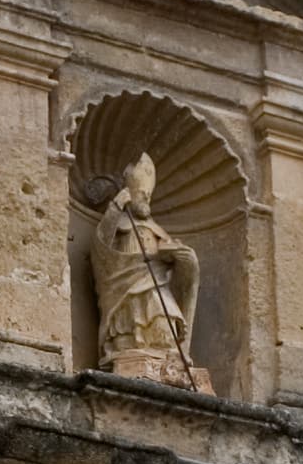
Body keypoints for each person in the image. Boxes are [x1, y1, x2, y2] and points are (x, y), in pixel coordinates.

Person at [88, 155, 212, 392]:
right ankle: (129, 355)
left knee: (165, 323)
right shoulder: (120, 223)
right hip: (125, 288)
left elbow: (176, 265)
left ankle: (168, 363)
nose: (147, 199)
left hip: (157, 285)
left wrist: (185, 259)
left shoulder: (157, 230)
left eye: (148, 195)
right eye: (143, 194)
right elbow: (101, 248)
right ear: (129, 193)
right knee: (131, 326)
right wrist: (114, 209)